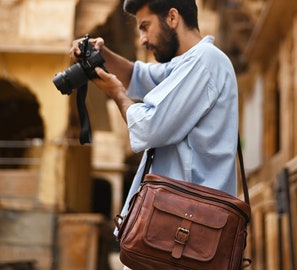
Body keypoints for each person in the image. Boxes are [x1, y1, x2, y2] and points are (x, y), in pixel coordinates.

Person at [70, 0, 238, 267]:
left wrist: (117, 95)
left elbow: (148, 128)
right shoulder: (185, 65)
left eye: (145, 27)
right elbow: (138, 75)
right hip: (174, 227)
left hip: (186, 229)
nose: (143, 39)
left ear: (172, 17)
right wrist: (102, 54)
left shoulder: (205, 61)